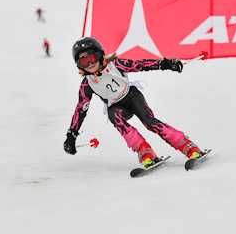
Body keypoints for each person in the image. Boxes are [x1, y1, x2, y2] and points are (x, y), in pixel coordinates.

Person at [63, 37, 203, 167]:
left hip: (132, 97)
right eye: (84, 62)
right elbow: (81, 109)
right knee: (113, 115)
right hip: (117, 107)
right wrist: (72, 134)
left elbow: (140, 65)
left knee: (150, 122)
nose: (90, 64)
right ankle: (144, 151)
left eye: (92, 58)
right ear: (79, 66)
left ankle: (186, 145)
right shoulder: (87, 85)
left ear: (100, 55)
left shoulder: (116, 65)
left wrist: (165, 64)